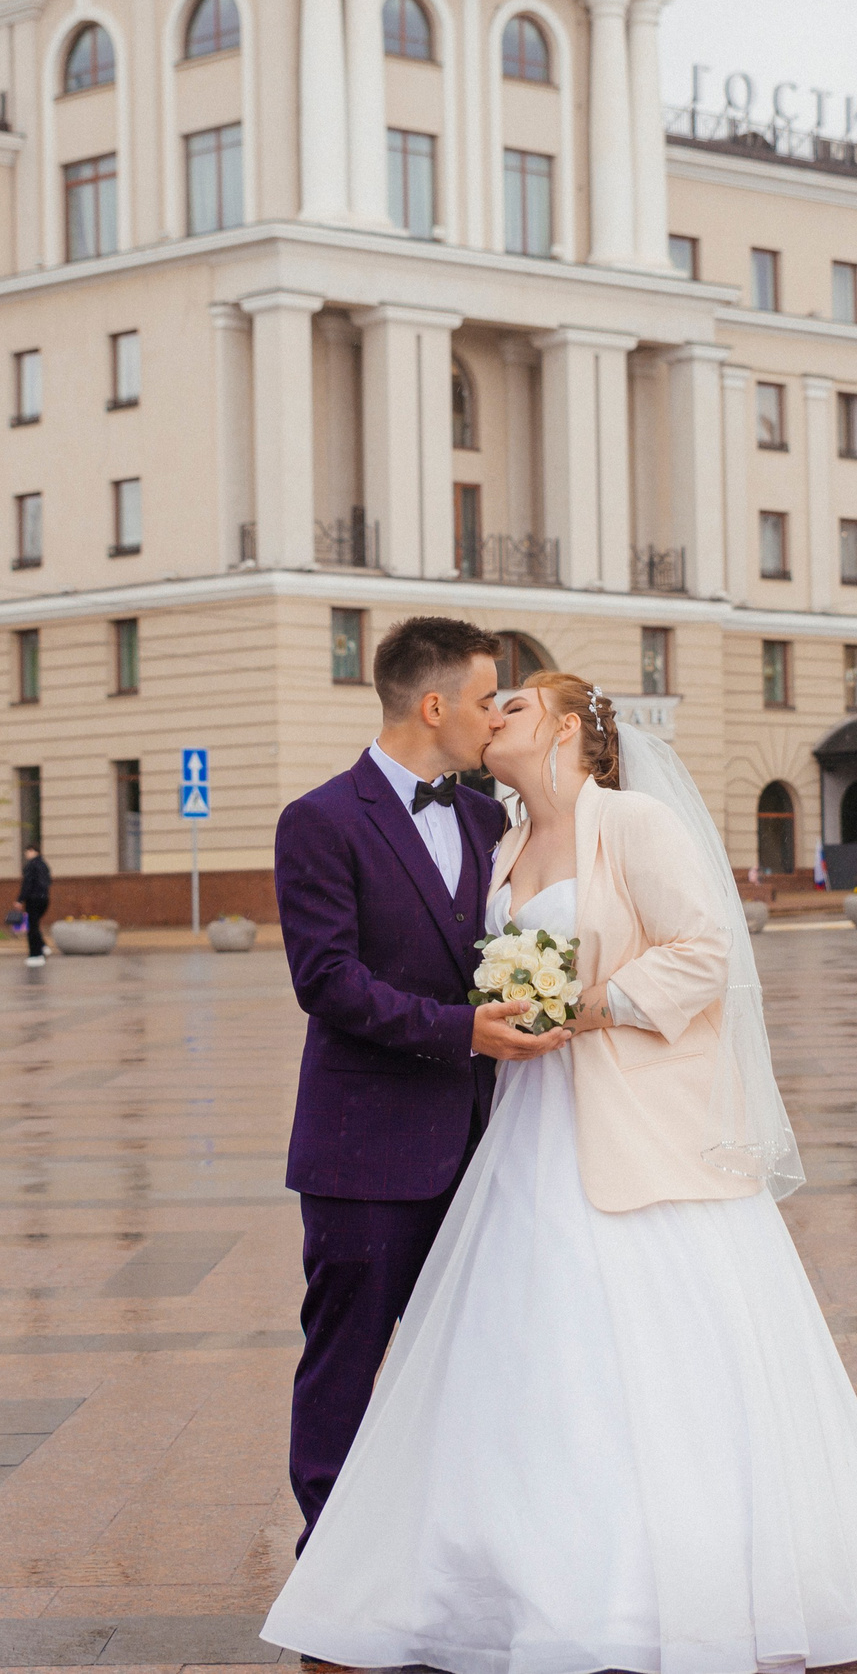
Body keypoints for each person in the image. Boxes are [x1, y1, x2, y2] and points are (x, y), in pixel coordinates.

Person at [263, 672, 857, 1669]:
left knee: (654, 1355)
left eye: (515, 704)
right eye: (485, 701)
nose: (494, 713)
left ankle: (665, 1588)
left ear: (566, 731)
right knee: (519, 1356)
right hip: (521, 1129)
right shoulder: (498, 839)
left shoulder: (632, 824)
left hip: (631, 1122)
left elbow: (705, 951)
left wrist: (591, 1007)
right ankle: (487, 1576)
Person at [269, 616, 564, 1552]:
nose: (495, 718)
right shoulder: (318, 821)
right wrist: (459, 1030)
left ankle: (452, 1546)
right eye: (486, 699)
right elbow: (327, 980)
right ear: (433, 705)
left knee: (475, 1362)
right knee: (346, 1361)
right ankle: (333, 1557)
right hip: (363, 1153)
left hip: (481, 1152)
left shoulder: (487, 819)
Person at [17, 845, 51, 965]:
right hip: (44, 898)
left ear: (32, 851)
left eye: (27, 852)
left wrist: (20, 899)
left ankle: (36, 954)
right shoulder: (44, 865)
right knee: (35, 925)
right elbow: (48, 881)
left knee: (32, 927)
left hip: (33, 899)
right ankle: (42, 946)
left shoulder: (31, 865)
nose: (26, 855)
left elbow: (27, 884)